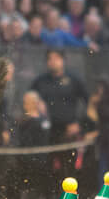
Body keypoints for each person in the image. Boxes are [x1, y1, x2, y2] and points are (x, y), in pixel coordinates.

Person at [32, 48, 87, 177]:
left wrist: (79, 124)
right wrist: (37, 107)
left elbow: (89, 103)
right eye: (50, 59)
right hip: (47, 133)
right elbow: (29, 100)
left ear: (63, 60)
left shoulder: (74, 80)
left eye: (56, 58)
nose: (53, 61)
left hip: (69, 132)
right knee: (47, 169)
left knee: (69, 169)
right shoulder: (40, 81)